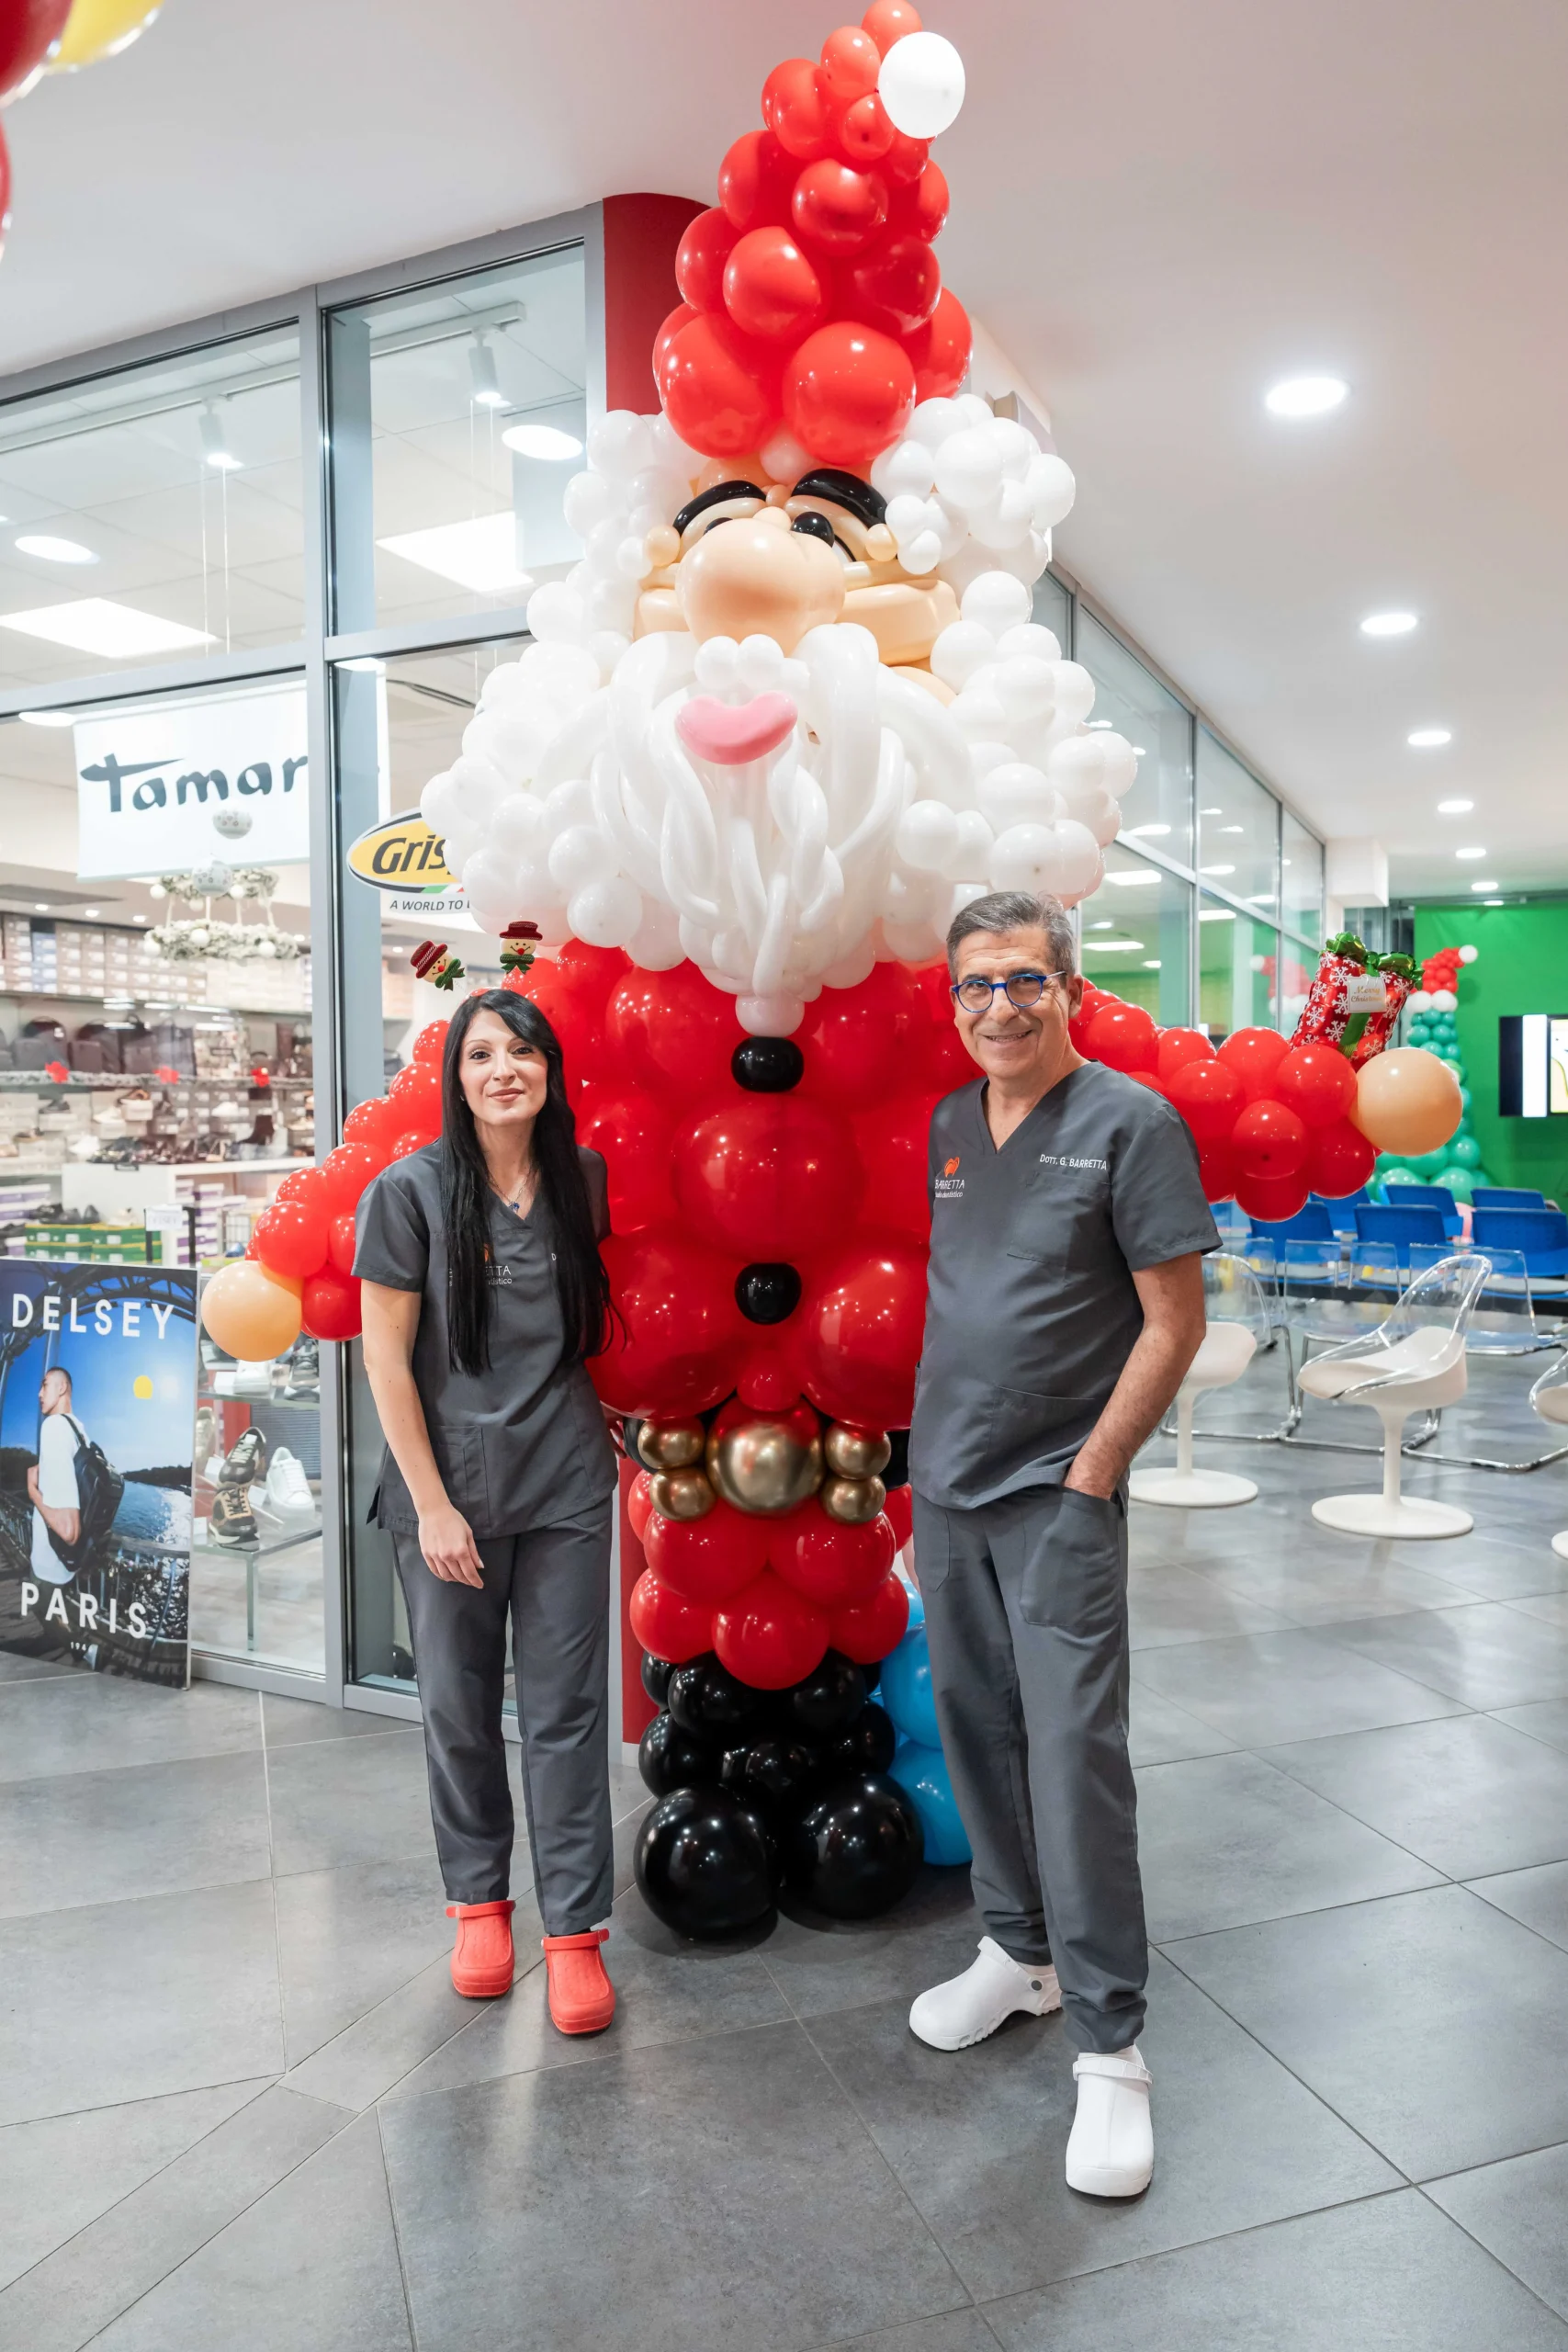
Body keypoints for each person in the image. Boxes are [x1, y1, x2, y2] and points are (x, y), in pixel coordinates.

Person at [907, 889, 1217, 2199]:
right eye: (976, 984)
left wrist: (1092, 1475)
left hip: (1056, 1496)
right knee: (976, 1730)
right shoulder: (949, 1126)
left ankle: (1109, 2044)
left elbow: (1174, 1322)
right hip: (946, 1489)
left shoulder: (1131, 1125)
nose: (999, 1006)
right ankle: (1017, 1952)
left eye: (1024, 980)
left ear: (1069, 991)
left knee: (1075, 1756)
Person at [355, 988, 621, 2034]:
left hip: (564, 1479)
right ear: (454, 1078)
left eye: (522, 1050)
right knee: (458, 1708)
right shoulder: (408, 1192)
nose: (503, 1069)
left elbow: (577, 1330)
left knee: (566, 1713)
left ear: (549, 1067)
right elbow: (385, 1360)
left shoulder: (581, 1179)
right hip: (449, 1489)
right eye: (480, 1055)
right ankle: (479, 1906)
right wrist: (430, 1505)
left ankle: (575, 1933)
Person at [28, 1365, 83, 1594]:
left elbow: (69, 1531)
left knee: (40, 1614)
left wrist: (32, 1490)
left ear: (62, 1388)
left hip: (47, 1572)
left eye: (45, 1385)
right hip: (68, 1570)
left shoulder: (54, 1426)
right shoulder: (79, 1431)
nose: (39, 1393)